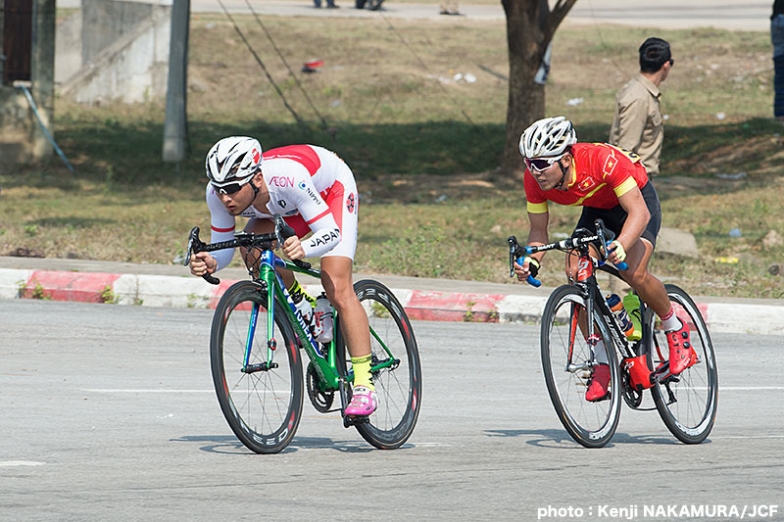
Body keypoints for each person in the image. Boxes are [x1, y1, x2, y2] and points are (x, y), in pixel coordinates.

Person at [189, 137, 376, 416]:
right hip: (283, 205)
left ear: (257, 179)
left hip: (327, 191)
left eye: (232, 188)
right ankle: (306, 309)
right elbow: (223, 245)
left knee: (336, 285)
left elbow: (331, 233)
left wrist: (305, 247)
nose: (225, 197)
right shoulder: (218, 195)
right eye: (219, 189)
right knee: (252, 249)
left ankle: (364, 384)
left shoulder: (289, 178)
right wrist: (211, 262)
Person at [514, 116, 696, 402]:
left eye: (540, 164)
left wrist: (622, 244)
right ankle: (602, 360)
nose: (533, 171)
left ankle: (676, 328)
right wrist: (530, 260)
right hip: (597, 211)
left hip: (636, 205)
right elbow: (538, 231)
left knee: (634, 272)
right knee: (577, 273)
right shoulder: (534, 180)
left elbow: (640, 214)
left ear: (564, 159)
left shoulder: (602, 161)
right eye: (528, 163)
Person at [608, 37, 673, 179]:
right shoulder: (638, 98)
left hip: (640, 178)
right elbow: (625, 150)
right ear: (666, 65)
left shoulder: (643, 92)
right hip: (634, 180)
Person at [772, 1, 784, 120]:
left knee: (780, 87)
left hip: (779, 56)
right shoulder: (781, 20)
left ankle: (780, 115)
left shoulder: (776, 20)